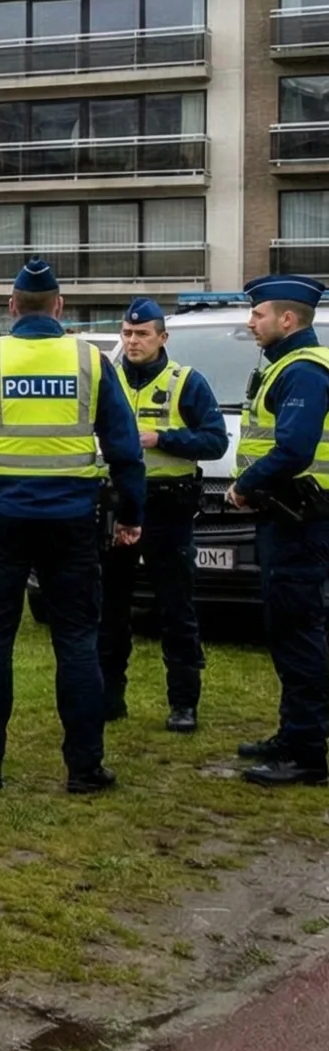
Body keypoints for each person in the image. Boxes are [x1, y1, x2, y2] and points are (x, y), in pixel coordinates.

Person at [0, 259, 144, 793]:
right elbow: (125, 449)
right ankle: (85, 768)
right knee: (77, 641)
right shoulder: (91, 362)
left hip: (1, 520)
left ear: (11, 307)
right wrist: (132, 515)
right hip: (72, 521)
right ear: (59, 307)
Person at [224, 274, 329, 788]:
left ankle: (305, 753)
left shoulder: (302, 371)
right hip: (293, 519)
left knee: (297, 632)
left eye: (258, 314)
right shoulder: (288, 366)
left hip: (300, 522)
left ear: (287, 319)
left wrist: (245, 485)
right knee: (292, 630)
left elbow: (293, 450)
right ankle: (294, 735)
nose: (251, 322)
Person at [102, 296, 226, 731]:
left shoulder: (186, 382)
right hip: (117, 504)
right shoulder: (107, 379)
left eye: (142, 334)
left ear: (162, 338)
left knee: (176, 609)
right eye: (127, 333)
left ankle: (183, 704)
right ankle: (109, 697)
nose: (132, 341)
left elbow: (215, 442)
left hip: (167, 508)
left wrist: (161, 438)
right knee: (111, 607)